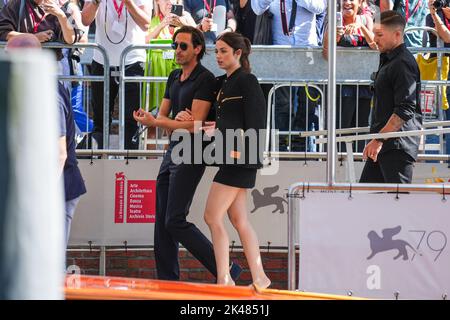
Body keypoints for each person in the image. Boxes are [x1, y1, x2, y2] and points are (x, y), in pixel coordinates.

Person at [132, 26, 242, 281]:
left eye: (183, 46)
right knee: (162, 222)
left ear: (197, 49)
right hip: (173, 150)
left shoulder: (205, 79)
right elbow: (164, 117)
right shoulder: (173, 76)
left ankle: (227, 270)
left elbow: (195, 125)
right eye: (175, 45)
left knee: (174, 220)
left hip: (193, 152)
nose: (178, 51)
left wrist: (164, 122)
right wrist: (172, 121)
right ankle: (167, 281)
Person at [196, 32, 270, 288]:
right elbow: (232, 122)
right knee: (239, 220)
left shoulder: (247, 81)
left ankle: (224, 278)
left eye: (223, 51)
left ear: (238, 53)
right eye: (216, 51)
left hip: (240, 160)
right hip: (234, 159)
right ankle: (259, 276)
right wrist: (214, 128)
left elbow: (257, 124)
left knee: (211, 216)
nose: (218, 55)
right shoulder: (228, 83)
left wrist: (236, 148)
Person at [6, 33, 87, 250]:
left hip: (59, 189)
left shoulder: (49, 94)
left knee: (48, 259)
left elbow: (59, 153)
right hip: (46, 187)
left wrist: (43, 195)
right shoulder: (32, 88)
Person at [251, 0, 327, 151]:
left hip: (307, 54)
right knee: (283, 103)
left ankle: (301, 144)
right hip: (281, 55)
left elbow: (320, 7)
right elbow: (257, 8)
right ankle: (281, 143)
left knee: (307, 104)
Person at [360, 10, 422, 183]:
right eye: (374, 34)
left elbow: (406, 108)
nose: (375, 39)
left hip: (396, 146)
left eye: (379, 34)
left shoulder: (402, 63)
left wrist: (378, 139)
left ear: (397, 34)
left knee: (397, 202)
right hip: (384, 144)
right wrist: (377, 140)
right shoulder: (390, 59)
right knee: (366, 200)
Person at [81, 0, 152, 149]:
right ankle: (99, 162)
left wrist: (128, 3)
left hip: (132, 61)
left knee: (131, 119)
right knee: (100, 118)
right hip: (102, 61)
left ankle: (129, 164)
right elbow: (85, 20)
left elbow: (146, 24)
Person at [323, 0, 376, 153]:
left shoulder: (366, 19)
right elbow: (325, 54)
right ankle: (336, 166)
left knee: (360, 133)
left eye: (351, 0)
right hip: (340, 88)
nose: (347, 3)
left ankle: (358, 165)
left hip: (363, 87)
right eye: (344, 0)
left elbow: (376, 46)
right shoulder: (333, 19)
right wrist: (332, 36)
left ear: (360, 3)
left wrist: (362, 28)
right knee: (339, 131)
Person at [426, 0, 450, 163]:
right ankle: (432, 166)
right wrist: (435, 13)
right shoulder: (431, 17)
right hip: (436, 75)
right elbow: (446, 37)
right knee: (433, 122)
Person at [0, 0, 81, 44]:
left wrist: (61, 16)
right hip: (22, 62)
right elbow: (4, 32)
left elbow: (71, 39)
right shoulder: (15, 4)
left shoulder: (62, 7)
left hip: (51, 66)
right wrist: (34, 37)